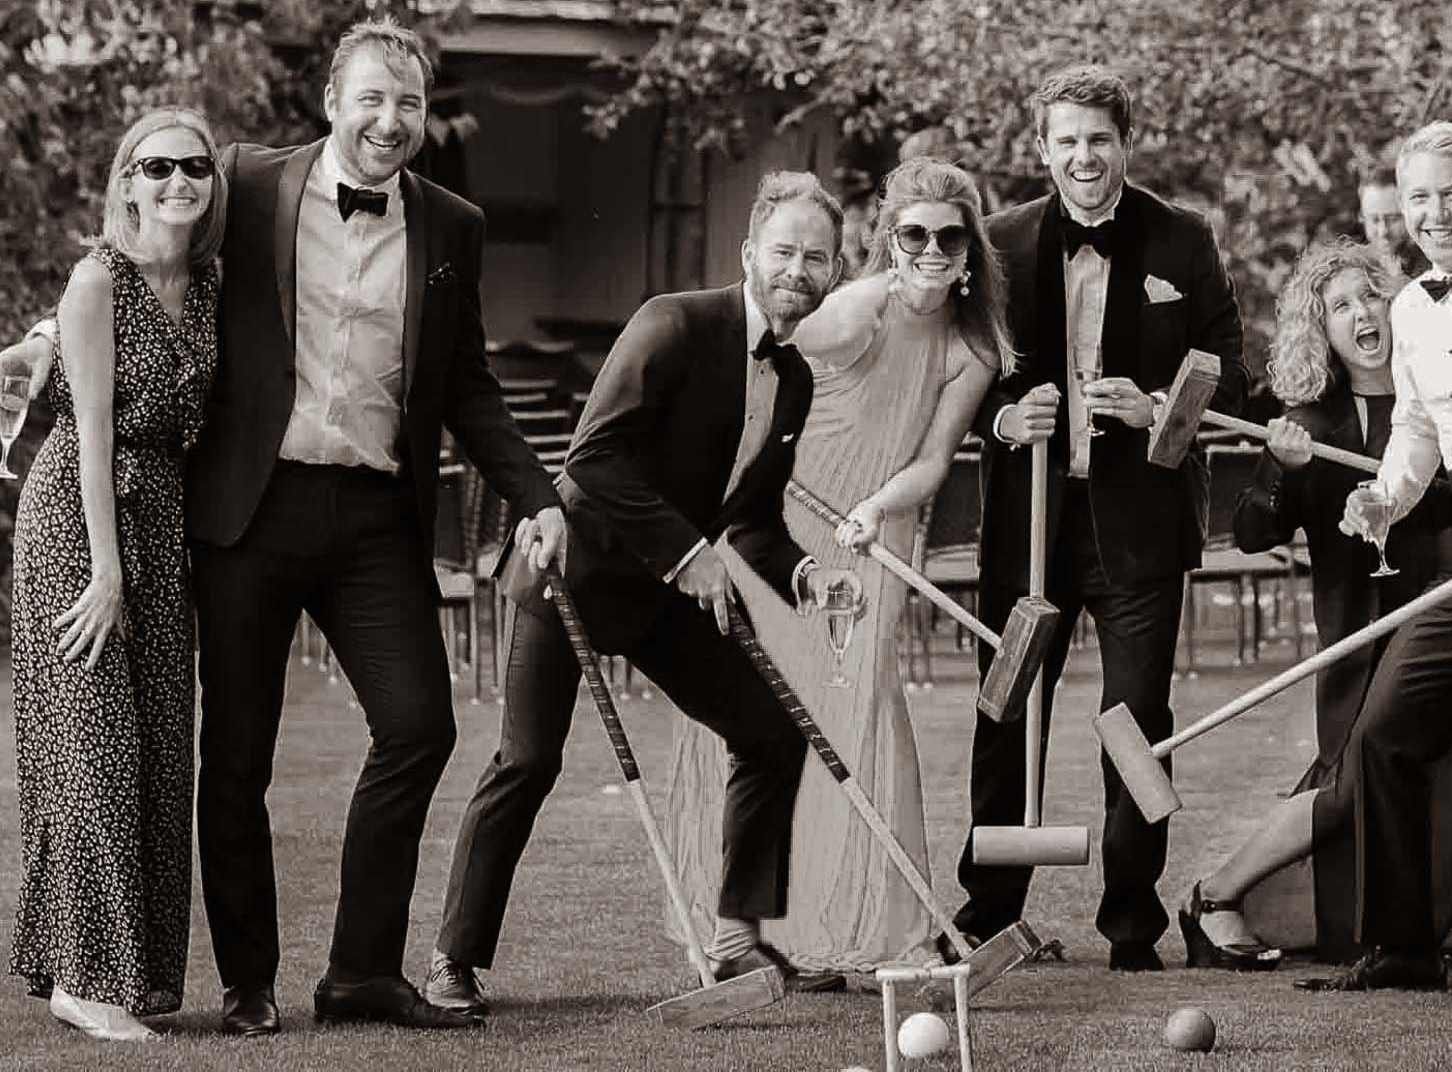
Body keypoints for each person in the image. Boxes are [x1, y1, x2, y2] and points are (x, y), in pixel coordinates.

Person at [0, 20, 562, 1036]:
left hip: (376, 518)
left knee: (418, 724)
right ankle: (248, 982)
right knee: (238, 754)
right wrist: (45, 335)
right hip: (247, 512)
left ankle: (360, 972)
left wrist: (542, 496)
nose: (390, 120)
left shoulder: (454, 225)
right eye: (372, 98)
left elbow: (470, 383)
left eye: (410, 103)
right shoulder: (248, 180)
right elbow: (137, 250)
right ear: (332, 101)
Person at [430, 172, 852, 1009]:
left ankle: (738, 940)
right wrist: (690, 553)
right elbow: (594, 461)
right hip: (574, 575)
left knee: (770, 731)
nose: (798, 268)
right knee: (528, 759)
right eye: (785, 250)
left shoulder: (795, 380)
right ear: (748, 254)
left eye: (817, 256)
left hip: (665, 595)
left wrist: (803, 571)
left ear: (835, 270)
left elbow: (754, 518)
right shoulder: (674, 321)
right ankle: (453, 960)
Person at [1177, 240, 1452, 978]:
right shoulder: (1308, 423)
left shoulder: (1449, 390)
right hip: (1368, 633)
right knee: (1352, 786)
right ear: (1320, 330)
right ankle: (1215, 892)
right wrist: (1287, 473)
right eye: (1340, 306)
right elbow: (1253, 529)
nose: (1361, 314)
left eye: (1369, 296)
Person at [655, 157, 1014, 977]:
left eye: (947, 235)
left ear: (968, 251)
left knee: (865, 718)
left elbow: (931, 460)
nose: (929, 248)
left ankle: (890, 932)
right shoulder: (858, 310)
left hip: (872, 535)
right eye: (913, 232)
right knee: (771, 717)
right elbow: (764, 350)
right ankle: (753, 932)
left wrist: (879, 504)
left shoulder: (974, 345)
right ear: (890, 239)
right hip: (785, 527)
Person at [953, 64, 1246, 973]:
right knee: (1006, 712)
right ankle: (988, 911)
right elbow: (952, 366)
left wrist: (1159, 405)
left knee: (1138, 716)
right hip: (1026, 524)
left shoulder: (1184, 239)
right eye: (1067, 140)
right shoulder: (996, 243)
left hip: (1139, 524)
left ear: (1127, 142)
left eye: (1099, 138)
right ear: (1042, 148)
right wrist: (1003, 418)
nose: (1084, 155)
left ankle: (1131, 922)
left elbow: (1231, 367)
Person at [8, 108, 225, 1042]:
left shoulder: (215, 278)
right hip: (78, 518)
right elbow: (92, 435)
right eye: (157, 166)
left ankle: (121, 973)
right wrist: (106, 575)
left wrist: (36, 335)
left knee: (161, 752)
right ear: (126, 182)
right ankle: (81, 980)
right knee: (91, 742)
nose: (178, 181)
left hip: (163, 519)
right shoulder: (99, 279)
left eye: (194, 167)